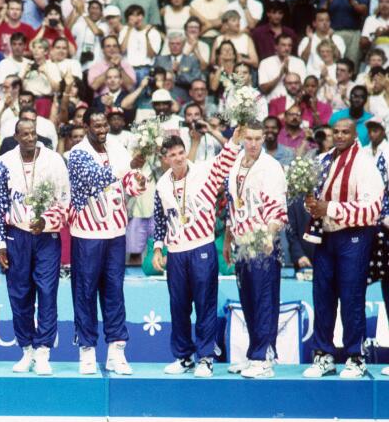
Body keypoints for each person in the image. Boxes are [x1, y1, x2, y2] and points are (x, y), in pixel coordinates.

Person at [152, 127, 243, 377]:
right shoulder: (161, 184)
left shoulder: (204, 171)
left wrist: (235, 138)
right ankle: (183, 357)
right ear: (165, 158)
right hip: (177, 252)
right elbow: (160, 218)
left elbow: (226, 160)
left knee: (205, 304)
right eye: (173, 154)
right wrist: (158, 247)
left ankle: (205, 358)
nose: (179, 158)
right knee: (178, 306)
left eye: (182, 152)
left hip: (202, 246)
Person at [302, 118, 383, 379]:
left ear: (354, 134)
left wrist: (332, 209)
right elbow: (314, 197)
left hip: (355, 236)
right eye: (335, 131)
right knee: (323, 296)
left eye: (344, 132)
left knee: (351, 296)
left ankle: (355, 357)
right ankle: (323, 355)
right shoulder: (324, 159)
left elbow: (373, 209)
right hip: (325, 235)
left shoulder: (364, 164)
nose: (338, 136)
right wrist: (312, 205)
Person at [67, 108, 144, 374]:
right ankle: (86, 350)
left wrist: (138, 180)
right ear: (86, 125)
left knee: (114, 291)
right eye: (96, 126)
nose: (102, 130)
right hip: (87, 234)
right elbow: (97, 179)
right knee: (85, 292)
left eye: (104, 126)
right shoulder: (77, 154)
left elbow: (127, 183)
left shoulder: (117, 147)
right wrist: (129, 166)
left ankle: (116, 351)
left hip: (115, 232)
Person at [0, 119, 69, 375]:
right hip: (16, 236)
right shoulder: (5, 161)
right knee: (19, 294)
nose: (29, 138)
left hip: (47, 237)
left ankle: (44, 351)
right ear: (15, 136)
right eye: (24, 134)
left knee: (47, 292)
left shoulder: (54, 160)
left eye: (33, 133)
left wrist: (46, 221)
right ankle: (26, 349)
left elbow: (65, 200)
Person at [222, 120, 287, 378]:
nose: (253, 144)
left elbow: (277, 207)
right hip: (240, 241)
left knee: (263, 299)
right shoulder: (236, 162)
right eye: (248, 138)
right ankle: (254, 354)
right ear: (242, 138)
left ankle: (264, 357)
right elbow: (233, 204)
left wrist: (269, 235)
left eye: (258, 138)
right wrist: (228, 238)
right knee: (248, 300)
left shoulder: (271, 167)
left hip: (262, 242)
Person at [258, 34, 308, 101]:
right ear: (276, 46)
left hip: (294, 104)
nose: (287, 48)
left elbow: (304, 87)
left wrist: (288, 74)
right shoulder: (265, 63)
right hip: (272, 103)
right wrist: (280, 75)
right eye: (283, 45)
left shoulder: (299, 63)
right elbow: (264, 89)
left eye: (289, 45)